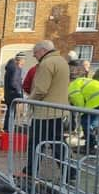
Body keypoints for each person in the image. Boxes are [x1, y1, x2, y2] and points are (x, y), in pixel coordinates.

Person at [25, 40, 70, 176]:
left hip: (45, 112)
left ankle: (31, 170)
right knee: (57, 143)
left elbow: (40, 89)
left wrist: (28, 101)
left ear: (43, 51)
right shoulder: (62, 61)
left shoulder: (46, 63)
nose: (34, 56)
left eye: (35, 53)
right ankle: (70, 171)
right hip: (59, 110)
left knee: (35, 143)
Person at [68, 60, 99, 151]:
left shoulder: (72, 87)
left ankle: (90, 146)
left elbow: (79, 102)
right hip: (97, 101)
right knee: (94, 124)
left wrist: (81, 114)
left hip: (97, 102)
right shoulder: (83, 80)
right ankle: (93, 143)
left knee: (87, 122)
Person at [3, 53, 26, 131]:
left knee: (10, 111)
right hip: (13, 94)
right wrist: (19, 91)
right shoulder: (16, 68)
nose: (24, 62)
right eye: (24, 60)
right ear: (20, 60)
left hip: (9, 94)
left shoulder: (10, 67)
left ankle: (7, 128)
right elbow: (14, 82)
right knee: (12, 112)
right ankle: (9, 128)